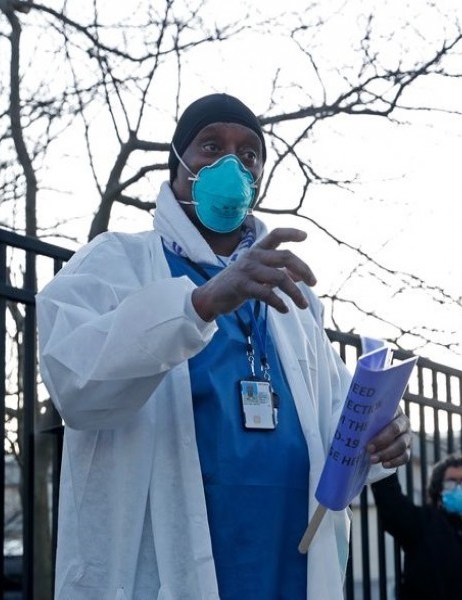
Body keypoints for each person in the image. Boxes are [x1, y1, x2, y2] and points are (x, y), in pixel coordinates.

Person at [37, 93, 412, 600]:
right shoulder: (116, 262)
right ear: (177, 165)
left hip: (289, 567)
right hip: (162, 574)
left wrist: (382, 437)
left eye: (248, 154)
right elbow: (73, 380)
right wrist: (201, 303)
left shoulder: (294, 299)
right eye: (211, 147)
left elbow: (337, 426)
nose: (232, 165)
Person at [371, 454, 462, 600]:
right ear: (439, 492)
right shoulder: (424, 524)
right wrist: (382, 459)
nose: (459, 489)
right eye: (451, 483)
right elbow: (392, 504)